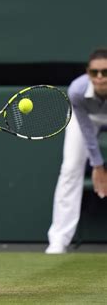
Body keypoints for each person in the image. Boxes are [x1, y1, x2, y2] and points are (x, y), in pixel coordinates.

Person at [46, 48, 107, 254]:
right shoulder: (77, 90)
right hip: (87, 119)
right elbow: (87, 131)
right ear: (88, 72)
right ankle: (59, 240)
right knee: (70, 168)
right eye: (94, 72)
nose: (99, 77)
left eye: (105, 72)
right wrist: (98, 165)